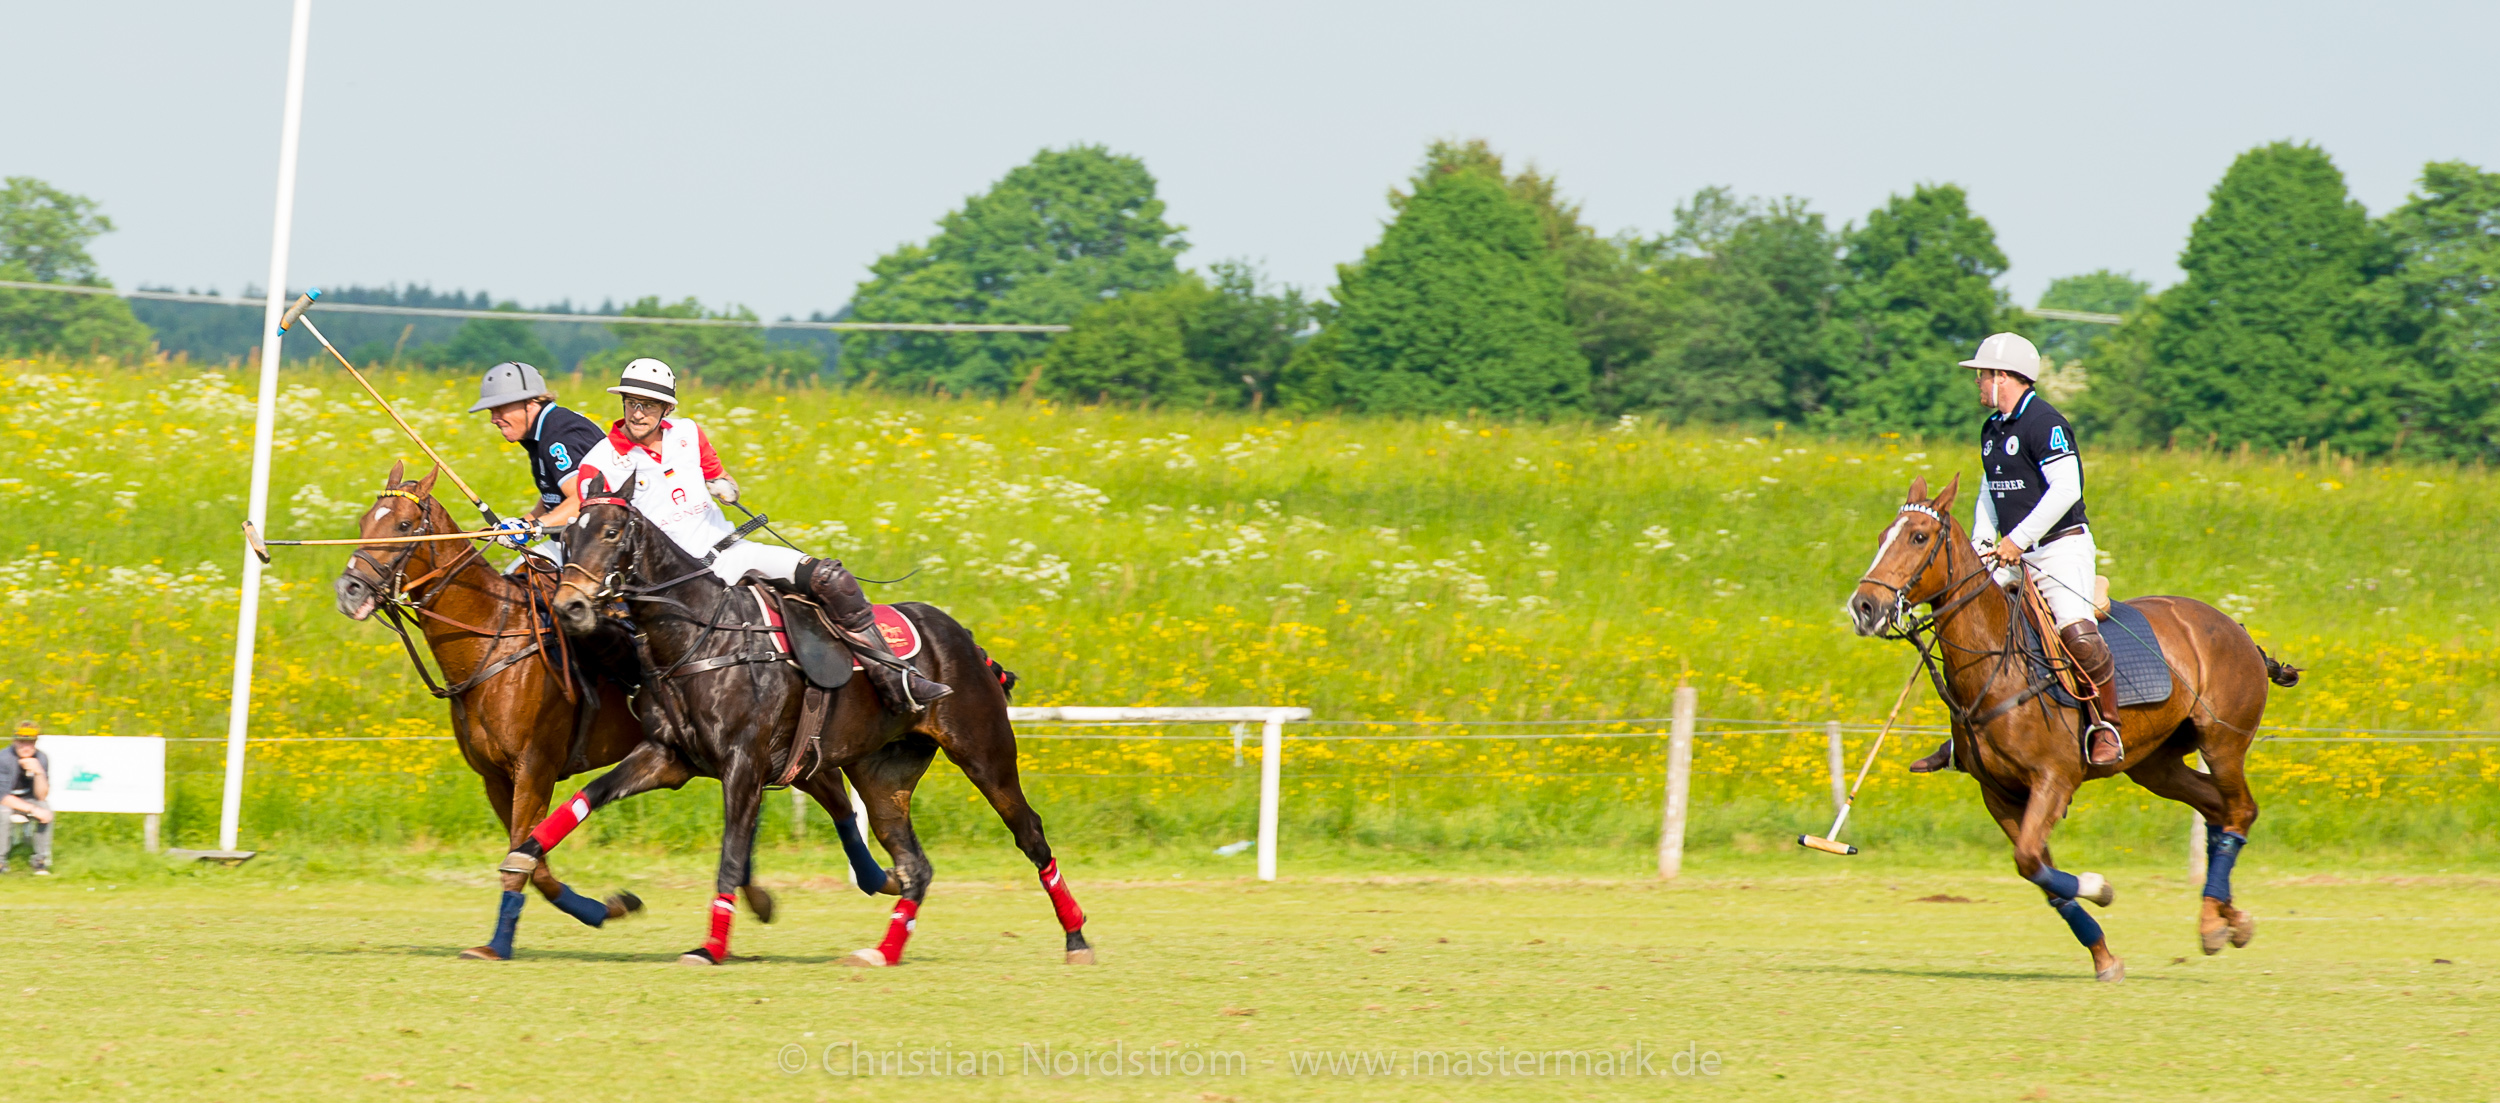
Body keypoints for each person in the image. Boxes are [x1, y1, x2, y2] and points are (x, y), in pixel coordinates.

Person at [562, 357, 950, 714]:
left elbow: (718, 474)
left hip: (732, 552)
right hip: (676, 583)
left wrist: (724, 486)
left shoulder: (687, 433)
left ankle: (895, 678)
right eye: (631, 402)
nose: (638, 412)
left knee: (832, 578)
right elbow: (596, 527)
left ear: (667, 408)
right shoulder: (600, 461)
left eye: (648, 404)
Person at [1909, 332, 2124, 772]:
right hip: (2010, 553)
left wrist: (2019, 539)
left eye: (1983, 375)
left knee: (2075, 631)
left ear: (2004, 377)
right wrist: (1983, 546)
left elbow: (2067, 489)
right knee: (1966, 624)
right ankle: (1963, 735)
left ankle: (2106, 726)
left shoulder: (2045, 423)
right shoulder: (1992, 430)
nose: (1978, 383)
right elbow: (1992, 492)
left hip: (2060, 548)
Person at [469, 361, 607, 565]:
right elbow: (556, 496)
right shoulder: (539, 432)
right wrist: (522, 523)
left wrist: (531, 529)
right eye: (491, 411)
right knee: (510, 579)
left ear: (530, 402)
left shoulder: (559, 433)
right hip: (572, 542)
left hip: (598, 546)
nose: (493, 419)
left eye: (500, 409)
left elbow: (582, 499)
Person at [1, 721, 52, 875]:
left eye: (30, 742)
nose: (26, 746)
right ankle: (1, 860)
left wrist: (39, 773)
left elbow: (41, 795)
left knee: (47, 811)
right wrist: (33, 809)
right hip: (5, 799)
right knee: (2, 813)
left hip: (26, 798)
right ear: (15, 741)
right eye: (22, 742)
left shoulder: (41, 758)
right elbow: (2, 796)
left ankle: (40, 861)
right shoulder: (4, 759)